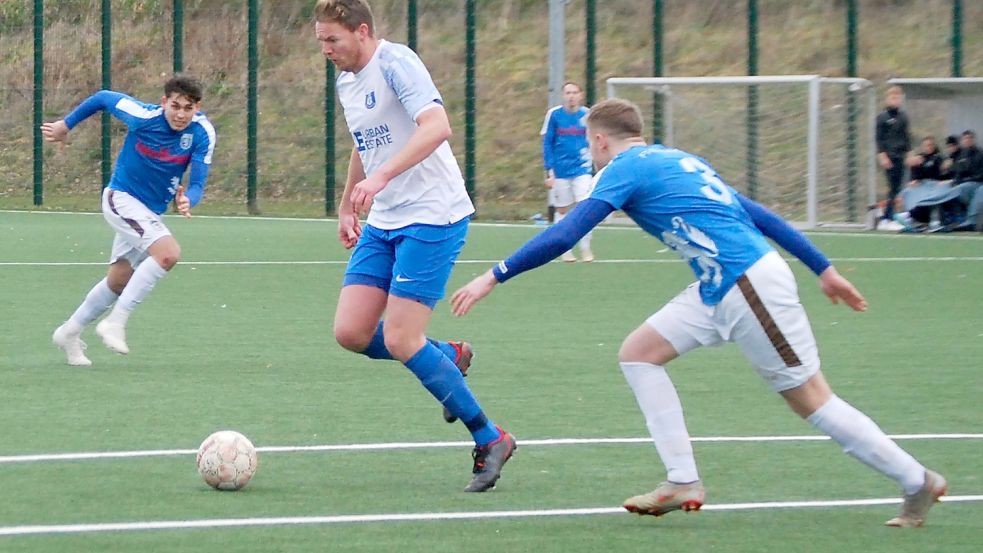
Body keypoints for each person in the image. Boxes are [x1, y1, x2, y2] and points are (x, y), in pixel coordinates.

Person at [451, 98, 947, 527]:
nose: (589, 152)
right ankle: (682, 480)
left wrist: (492, 275)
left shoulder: (622, 168)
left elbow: (565, 233)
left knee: (812, 399)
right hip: (720, 285)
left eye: (589, 144)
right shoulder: (678, 159)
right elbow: (758, 212)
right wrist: (824, 268)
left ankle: (915, 479)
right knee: (639, 353)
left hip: (747, 283)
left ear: (600, 140)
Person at [313, 0, 515, 493]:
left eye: (332, 40)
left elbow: (437, 126)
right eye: (320, 41)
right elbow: (366, 145)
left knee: (403, 339)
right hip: (385, 219)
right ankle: (448, 355)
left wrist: (381, 178)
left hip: (433, 215)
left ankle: (491, 438)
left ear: (361, 31)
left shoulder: (396, 62)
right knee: (352, 332)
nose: (326, 50)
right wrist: (346, 206)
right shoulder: (345, 82)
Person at [43, 74, 216, 366]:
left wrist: (190, 199)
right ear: (164, 102)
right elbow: (102, 97)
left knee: (119, 280)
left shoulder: (203, 133)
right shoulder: (142, 115)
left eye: (188, 108)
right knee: (168, 254)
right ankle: (116, 322)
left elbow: (198, 182)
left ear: (197, 108)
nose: (181, 114)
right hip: (121, 198)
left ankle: (68, 333)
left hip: (150, 212)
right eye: (175, 106)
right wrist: (65, 125)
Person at [542, 81, 594, 262]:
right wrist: (549, 171)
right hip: (560, 170)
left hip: (582, 169)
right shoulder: (554, 115)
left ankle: (586, 248)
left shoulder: (587, 115)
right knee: (562, 209)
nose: (571, 96)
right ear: (563, 95)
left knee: (585, 207)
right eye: (567, 92)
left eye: (574, 92)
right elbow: (547, 142)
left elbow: (594, 141)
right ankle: (564, 249)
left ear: (580, 95)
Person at [875, 85, 911, 229]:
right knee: (892, 187)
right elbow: (879, 138)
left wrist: (909, 154)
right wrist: (882, 155)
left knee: (897, 187)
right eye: (893, 97)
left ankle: (890, 216)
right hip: (889, 155)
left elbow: (906, 137)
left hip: (900, 155)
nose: (896, 100)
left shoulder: (903, 116)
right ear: (888, 99)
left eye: (898, 97)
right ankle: (886, 218)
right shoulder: (883, 116)